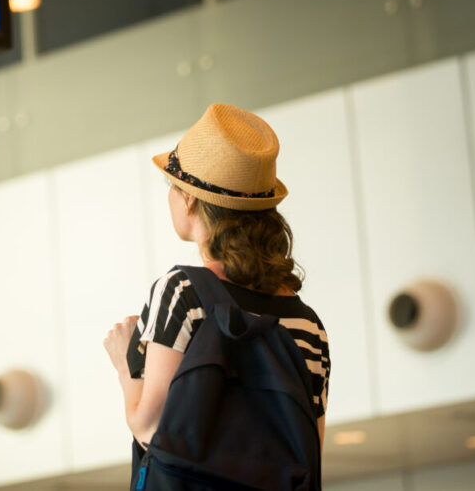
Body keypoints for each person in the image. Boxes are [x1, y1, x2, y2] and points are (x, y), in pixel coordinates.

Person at [103, 102, 331, 471]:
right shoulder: (309, 325)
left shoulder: (182, 292)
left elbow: (152, 429)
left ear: (189, 197)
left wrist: (124, 366)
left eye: (172, 186)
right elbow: (311, 454)